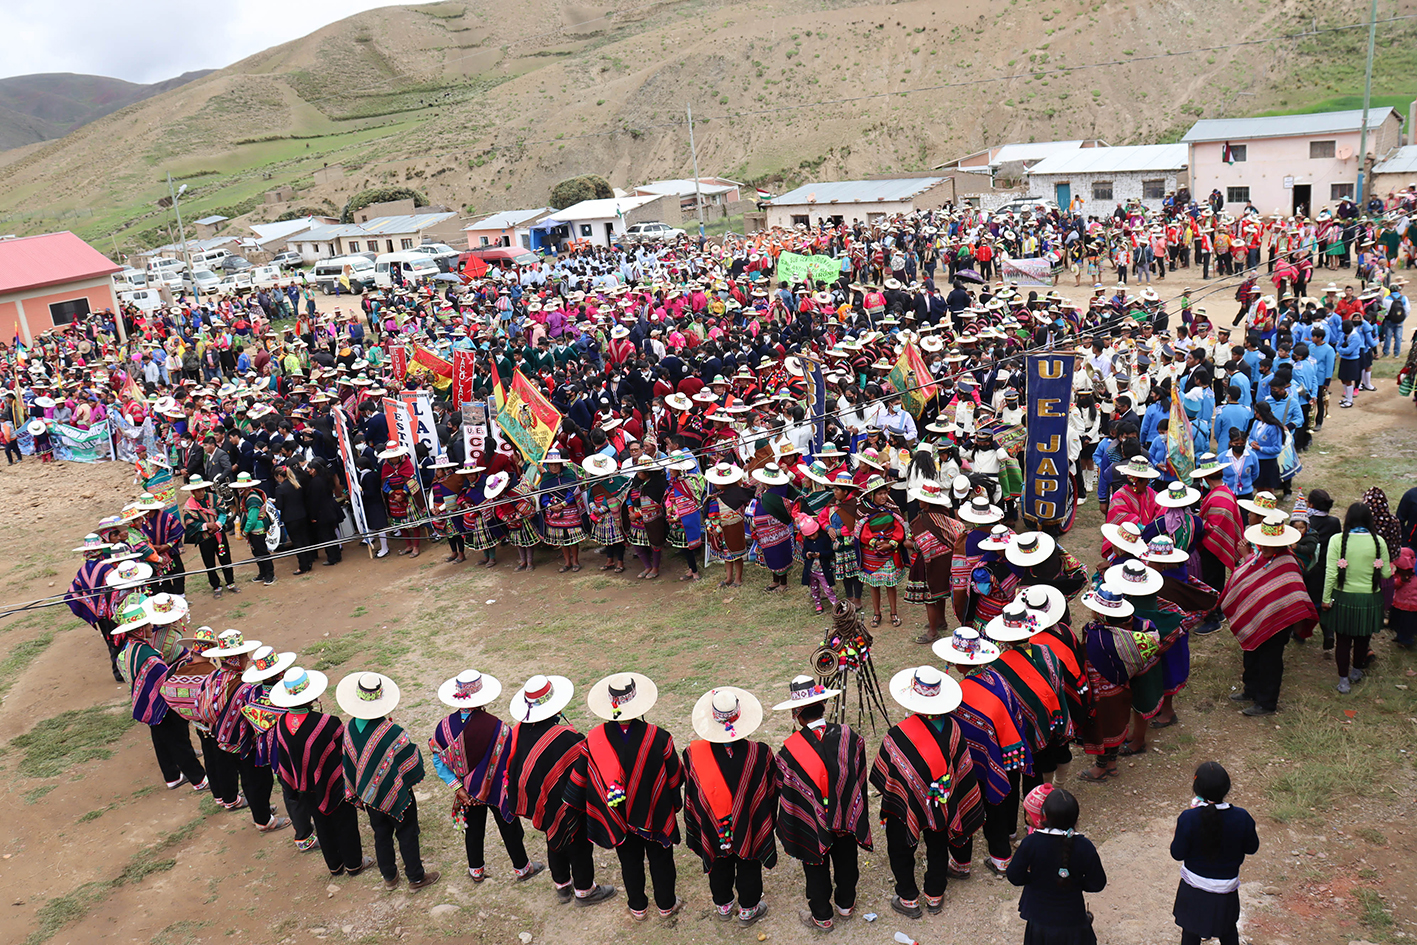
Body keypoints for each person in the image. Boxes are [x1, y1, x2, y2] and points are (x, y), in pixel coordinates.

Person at [871, 665, 985, 919]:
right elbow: (962, 770)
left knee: (900, 845)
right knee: (937, 843)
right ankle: (935, 894)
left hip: (907, 803)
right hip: (943, 802)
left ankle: (908, 898)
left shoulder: (896, 736)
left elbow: (886, 779)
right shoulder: (954, 729)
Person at [567, 673, 684, 922]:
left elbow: (581, 781)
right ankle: (666, 905)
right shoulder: (659, 737)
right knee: (661, 859)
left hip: (617, 816)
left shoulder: (592, 741)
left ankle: (638, 907)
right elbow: (675, 777)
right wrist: (673, 804)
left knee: (629, 861)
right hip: (655, 812)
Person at [503, 674, 616, 906]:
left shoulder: (519, 732)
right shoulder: (567, 738)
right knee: (579, 843)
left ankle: (562, 885)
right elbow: (585, 773)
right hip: (569, 803)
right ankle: (585, 890)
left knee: (553, 836)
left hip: (542, 802)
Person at [771, 675, 872, 933]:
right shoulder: (850, 736)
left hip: (812, 823)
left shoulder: (788, 752)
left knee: (815, 865)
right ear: (824, 705)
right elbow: (859, 775)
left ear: (796, 713)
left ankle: (822, 916)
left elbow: (784, 788)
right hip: (846, 816)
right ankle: (846, 905)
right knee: (847, 858)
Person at [429, 670, 544, 883]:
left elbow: (438, 760)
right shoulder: (498, 727)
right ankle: (522, 868)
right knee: (509, 827)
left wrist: (458, 788)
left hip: (467, 793)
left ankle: (476, 871)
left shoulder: (443, 728)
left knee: (473, 830)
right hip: (496, 789)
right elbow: (511, 758)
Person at [682, 685, 778, 926]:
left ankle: (723, 905)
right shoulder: (760, 753)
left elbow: (693, 794)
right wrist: (758, 819)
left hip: (714, 826)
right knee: (749, 861)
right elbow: (770, 792)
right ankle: (748, 909)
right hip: (749, 822)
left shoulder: (692, 755)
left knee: (718, 860)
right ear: (740, 716)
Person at [336, 672, 440, 890]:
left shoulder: (349, 729)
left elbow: (349, 762)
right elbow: (411, 759)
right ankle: (416, 877)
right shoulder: (392, 732)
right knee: (407, 832)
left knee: (381, 834)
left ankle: (389, 877)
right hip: (397, 793)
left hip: (370, 796)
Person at [271, 666, 373, 878]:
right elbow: (344, 752)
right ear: (311, 696)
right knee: (345, 823)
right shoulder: (327, 722)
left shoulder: (281, 724)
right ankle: (354, 864)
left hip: (304, 789)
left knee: (322, 825)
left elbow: (284, 761)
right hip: (334, 786)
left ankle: (335, 866)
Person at [1219, 513, 1318, 716]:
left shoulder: (1287, 563)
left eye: (1266, 544)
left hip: (1278, 623)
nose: (1262, 546)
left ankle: (1266, 702)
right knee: (1251, 654)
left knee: (1270, 662)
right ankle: (1250, 690)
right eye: (1261, 543)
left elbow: (1293, 593)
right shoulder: (1261, 557)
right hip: (1256, 618)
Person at [114, 596, 207, 791]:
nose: (151, 626)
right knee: (178, 741)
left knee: (160, 738)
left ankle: (172, 776)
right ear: (140, 629)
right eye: (147, 624)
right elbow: (164, 683)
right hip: (161, 704)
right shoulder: (151, 659)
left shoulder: (127, 650)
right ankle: (199, 779)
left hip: (143, 703)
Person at [1170, 762, 1259, 945]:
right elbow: (1252, 848)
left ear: (1197, 789)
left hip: (1193, 891)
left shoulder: (1189, 818)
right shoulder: (1241, 817)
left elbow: (1177, 853)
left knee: (1190, 933)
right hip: (1225, 892)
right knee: (1227, 931)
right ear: (1227, 788)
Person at [1005, 788, 1107, 945]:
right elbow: (1097, 883)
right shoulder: (1085, 846)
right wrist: (1076, 882)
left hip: (1040, 923)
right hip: (1074, 921)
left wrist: (1034, 879)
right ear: (1076, 818)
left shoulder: (1031, 843)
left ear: (1044, 815)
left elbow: (1014, 875)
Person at [1322, 502, 1392, 694]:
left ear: (1348, 519)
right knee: (1363, 638)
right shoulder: (1379, 542)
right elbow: (1385, 574)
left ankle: (1343, 680)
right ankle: (1357, 671)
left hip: (1343, 598)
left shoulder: (1337, 540)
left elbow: (1331, 574)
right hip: (1370, 600)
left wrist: (1326, 599)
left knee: (1343, 641)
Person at [180, 475, 238, 598]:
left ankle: (230, 582)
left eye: (203, 489)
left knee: (225, 558)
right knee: (209, 562)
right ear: (193, 491)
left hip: (218, 534)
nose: (201, 492)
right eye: (198, 490)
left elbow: (222, 512)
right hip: (204, 538)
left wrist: (217, 524)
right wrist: (206, 526)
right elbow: (190, 523)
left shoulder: (214, 498)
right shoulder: (189, 506)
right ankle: (216, 585)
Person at [231, 472, 275, 586]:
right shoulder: (248, 497)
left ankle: (270, 574)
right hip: (253, 531)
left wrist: (245, 531)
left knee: (262, 552)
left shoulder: (252, 499)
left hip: (257, 530)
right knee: (256, 552)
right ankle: (263, 573)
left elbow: (252, 519)